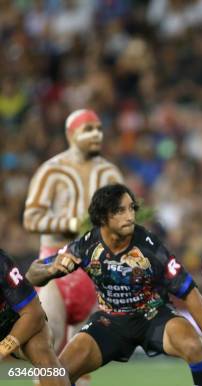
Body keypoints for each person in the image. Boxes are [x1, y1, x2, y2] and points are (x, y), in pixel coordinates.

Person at [26, 184, 202, 386]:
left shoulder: (150, 247)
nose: (130, 216)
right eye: (120, 210)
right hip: (110, 322)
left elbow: (190, 292)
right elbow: (33, 274)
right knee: (56, 375)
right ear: (103, 216)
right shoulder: (85, 246)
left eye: (131, 208)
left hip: (153, 316)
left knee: (195, 346)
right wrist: (52, 269)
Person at [23, 108, 124, 384]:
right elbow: (30, 218)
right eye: (88, 129)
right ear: (71, 134)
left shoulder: (109, 173)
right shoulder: (51, 171)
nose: (96, 135)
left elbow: (126, 217)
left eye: (99, 129)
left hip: (93, 269)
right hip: (55, 267)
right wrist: (69, 223)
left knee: (84, 351)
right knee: (48, 340)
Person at [0, 249, 70, 386]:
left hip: (13, 322)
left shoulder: (1, 263)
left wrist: (3, 349)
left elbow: (33, 314)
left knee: (43, 356)